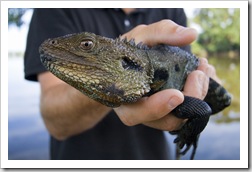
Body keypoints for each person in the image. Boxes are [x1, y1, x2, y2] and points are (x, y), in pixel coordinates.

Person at [24, 8, 218, 160]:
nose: (85, 48)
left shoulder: (171, 10)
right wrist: (109, 88)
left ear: (125, 60)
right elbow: (55, 121)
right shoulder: (53, 8)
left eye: (86, 46)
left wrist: (189, 128)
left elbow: (201, 107)